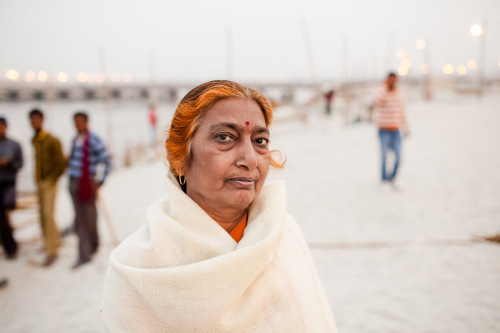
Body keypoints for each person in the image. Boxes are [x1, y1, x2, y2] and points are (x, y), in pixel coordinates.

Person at [101, 80, 338, 332]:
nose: (249, 160)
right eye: (224, 137)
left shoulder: (283, 233)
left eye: (260, 141)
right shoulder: (137, 272)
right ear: (179, 156)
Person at [68, 112, 111, 269]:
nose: (77, 125)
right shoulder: (75, 140)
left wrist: (101, 181)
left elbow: (107, 161)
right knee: (81, 218)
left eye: (80, 122)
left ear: (86, 123)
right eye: (75, 122)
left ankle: (86, 252)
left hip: (87, 184)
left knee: (88, 218)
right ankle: (89, 248)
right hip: (73, 183)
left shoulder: (94, 140)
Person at [28, 109, 66, 267]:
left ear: (42, 120)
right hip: (40, 182)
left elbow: (61, 163)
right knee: (43, 215)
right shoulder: (35, 139)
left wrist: (51, 179)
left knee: (47, 215)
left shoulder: (52, 140)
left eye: (37, 119)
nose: (34, 122)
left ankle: (52, 251)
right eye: (32, 119)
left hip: (49, 182)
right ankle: (53, 242)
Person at [373, 72, 410, 187]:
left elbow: (401, 111)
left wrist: (406, 126)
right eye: (390, 80)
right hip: (383, 129)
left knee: (398, 156)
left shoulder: (398, 94)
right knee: (384, 156)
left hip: (396, 129)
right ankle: (384, 180)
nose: (392, 82)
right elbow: (376, 101)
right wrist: (386, 88)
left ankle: (392, 179)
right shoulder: (381, 90)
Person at [0, 117, 23, 259]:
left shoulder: (14, 145)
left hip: (9, 182)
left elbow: (20, 164)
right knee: (1, 215)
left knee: (5, 207)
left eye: (2, 127)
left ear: (6, 127)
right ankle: (11, 247)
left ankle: (10, 247)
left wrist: (8, 163)